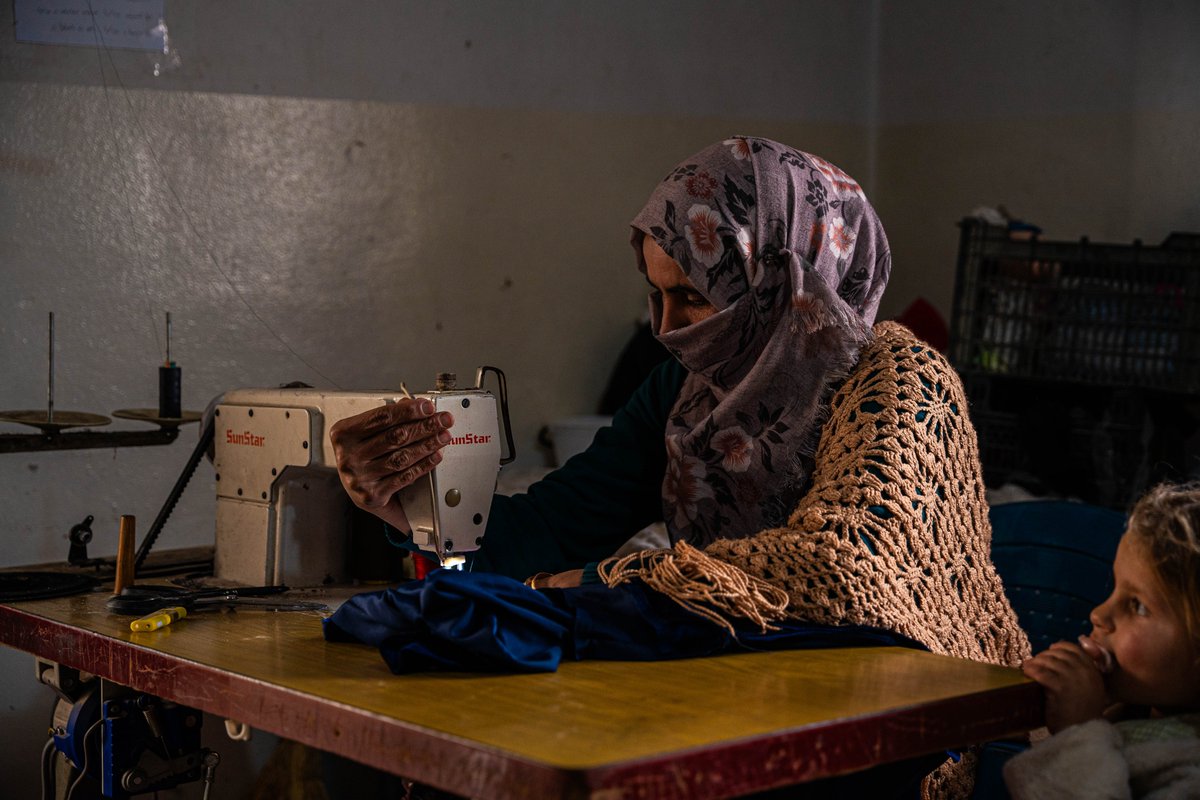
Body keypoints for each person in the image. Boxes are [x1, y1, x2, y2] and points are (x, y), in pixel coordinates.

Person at [331, 137, 1030, 798]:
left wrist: (609, 580)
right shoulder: (688, 393)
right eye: (655, 295)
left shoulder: (900, 382)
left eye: (692, 295)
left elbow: (844, 567)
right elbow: (549, 528)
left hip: (901, 723)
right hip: (738, 699)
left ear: (780, 280)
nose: (666, 328)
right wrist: (406, 503)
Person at [1003, 482, 1200, 799]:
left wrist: (1076, 732)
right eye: (1115, 589)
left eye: (1137, 606)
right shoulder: (1129, 710)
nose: (1098, 614)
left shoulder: (1191, 773)